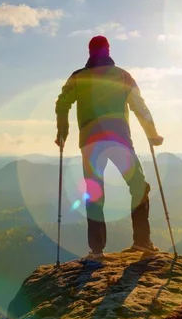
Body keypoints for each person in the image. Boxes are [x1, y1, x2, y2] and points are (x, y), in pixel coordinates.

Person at [55, 35, 164, 259]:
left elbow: (62, 104)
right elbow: (139, 107)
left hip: (90, 142)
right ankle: (142, 242)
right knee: (138, 186)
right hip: (119, 140)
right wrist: (152, 135)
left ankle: (97, 250)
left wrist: (62, 133)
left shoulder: (78, 77)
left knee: (94, 193)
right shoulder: (123, 76)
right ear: (108, 49)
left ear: (89, 51)